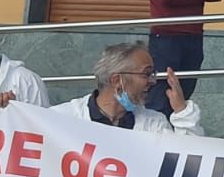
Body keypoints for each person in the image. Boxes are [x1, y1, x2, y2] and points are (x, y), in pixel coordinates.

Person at [53, 42, 203, 134]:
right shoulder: (61, 118)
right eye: (146, 74)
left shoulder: (154, 124)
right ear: (117, 80)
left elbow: (188, 162)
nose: (153, 81)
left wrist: (183, 113)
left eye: (153, 74)